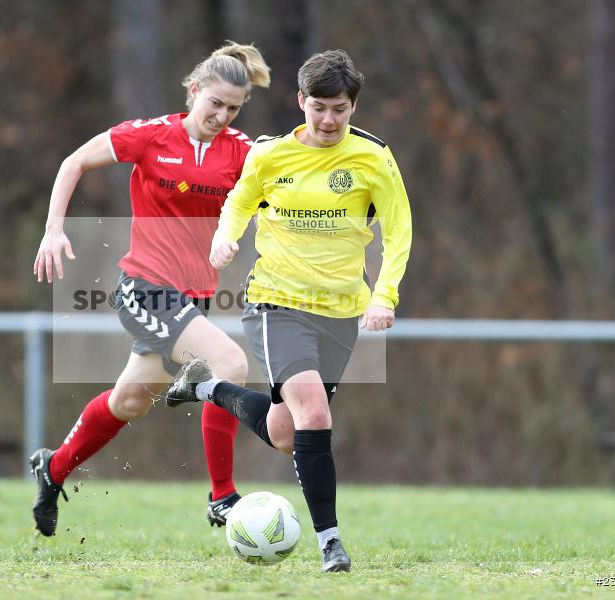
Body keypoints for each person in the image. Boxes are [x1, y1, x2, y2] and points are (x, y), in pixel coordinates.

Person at [164, 49, 412, 573]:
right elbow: (239, 201)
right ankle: (331, 542)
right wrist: (224, 240)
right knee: (316, 414)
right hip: (277, 302)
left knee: (285, 433)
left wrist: (385, 295)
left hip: (342, 310)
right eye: (318, 107)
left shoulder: (373, 158)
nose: (328, 120)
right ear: (300, 101)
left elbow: (399, 229)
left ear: (353, 107)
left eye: (340, 109)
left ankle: (206, 386)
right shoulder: (270, 155)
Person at [29, 42, 271, 537]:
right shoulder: (150, 136)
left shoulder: (243, 152)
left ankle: (52, 469)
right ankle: (222, 496)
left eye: (233, 108)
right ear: (194, 90)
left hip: (192, 300)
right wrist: (54, 228)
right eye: (215, 104)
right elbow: (74, 162)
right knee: (229, 363)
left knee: (129, 403)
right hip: (145, 290)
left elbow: (278, 192)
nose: (222, 115)